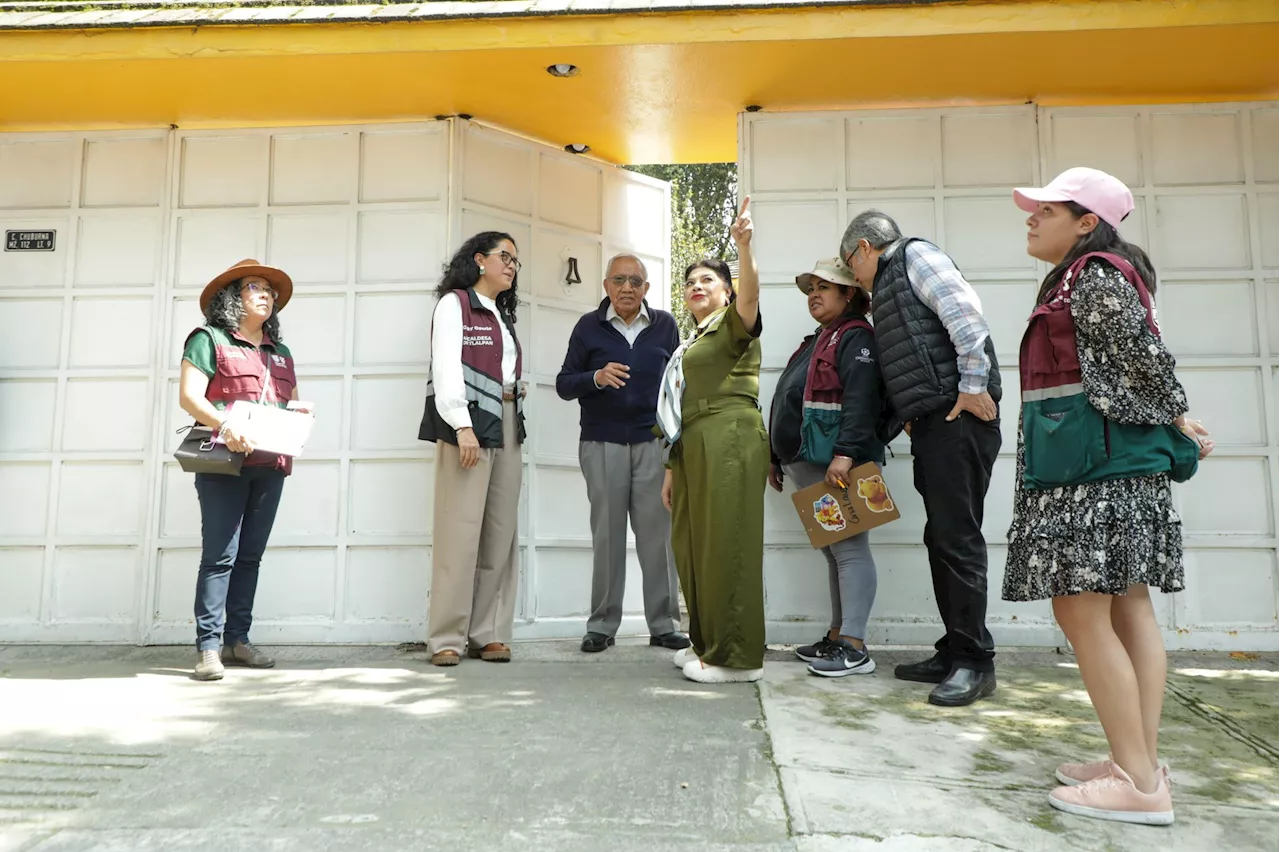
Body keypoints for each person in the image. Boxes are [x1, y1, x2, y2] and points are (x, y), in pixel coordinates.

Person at [1004, 168, 1213, 825]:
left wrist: (1176, 414)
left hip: (1097, 471)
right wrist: (1175, 416)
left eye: (1047, 210)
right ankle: (1136, 762)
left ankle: (1141, 785)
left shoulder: (1091, 276)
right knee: (1128, 609)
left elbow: (1141, 357)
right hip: (1112, 465)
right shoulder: (1094, 272)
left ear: (1086, 221)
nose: (1031, 218)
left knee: (1082, 613)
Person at [839, 210, 1002, 707]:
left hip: (959, 417)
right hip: (934, 422)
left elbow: (966, 318)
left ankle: (975, 662)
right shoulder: (887, 288)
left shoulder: (915, 256)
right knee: (941, 537)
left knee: (957, 537)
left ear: (865, 247)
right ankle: (955, 648)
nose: (852, 278)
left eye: (850, 266)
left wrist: (973, 388)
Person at [658, 197, 767, 684]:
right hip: (693, 444)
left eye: (707, 281)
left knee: (727, 543)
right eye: (689, 282)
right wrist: (671, 466)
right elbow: (678, 403)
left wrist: (744, 249)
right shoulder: (694, 338)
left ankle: (738, 657)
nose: (696, 287)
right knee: (693, 545)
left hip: (729, 436)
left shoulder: (731, 323)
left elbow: (751, 298)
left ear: (725, 292)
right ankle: (706, 643)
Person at [556, 254, 689, 654]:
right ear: (606, 286)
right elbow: (564, 384)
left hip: (652, 444)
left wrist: (676, 441)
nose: (627, 287)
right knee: (608, 537)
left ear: (647, 288)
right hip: (602, 444)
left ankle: (664, 625)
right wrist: (595, 377)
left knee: (658, 539)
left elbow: (678, 384)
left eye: (635, 280)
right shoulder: (588, 327)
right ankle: (601, 625)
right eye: (619, 280)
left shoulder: (665, 325)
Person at [178, 259, 301, 682]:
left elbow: (291, 403)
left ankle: (239, 640)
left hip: (271, 464)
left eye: (270, 290)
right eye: (255, 287)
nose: (265, 294)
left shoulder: (280, 353)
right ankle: (208, 648)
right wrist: (224, 425)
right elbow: (190, 398)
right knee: (220, 557)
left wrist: (302, 413)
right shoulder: (207, 339)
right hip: (224, 464)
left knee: (250, 557)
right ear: (232, 297)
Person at [767, 258, 888, 678]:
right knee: (835, 552)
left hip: (838, 462)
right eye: (811, 288)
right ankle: (838, 635)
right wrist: (774, 456)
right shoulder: (820, 338)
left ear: (849, 293)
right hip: (812, 461)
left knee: (850, 550)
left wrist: (847, 454)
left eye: (825, 286)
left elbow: (862, 401)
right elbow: (788, 398)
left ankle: (854, 646)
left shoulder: (857, 338)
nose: (814, 294)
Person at [418, 232, 526, 667]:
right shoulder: (454, 304)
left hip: (509, 425)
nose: (512, 266)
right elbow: (445, 368)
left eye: (517, 261)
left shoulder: (501, 315)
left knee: (499, 536)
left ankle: (489, 633)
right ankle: (447, 636)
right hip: (470, 424)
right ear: (480, 260)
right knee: (458, 534)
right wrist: (461, 424)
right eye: (506, 257)